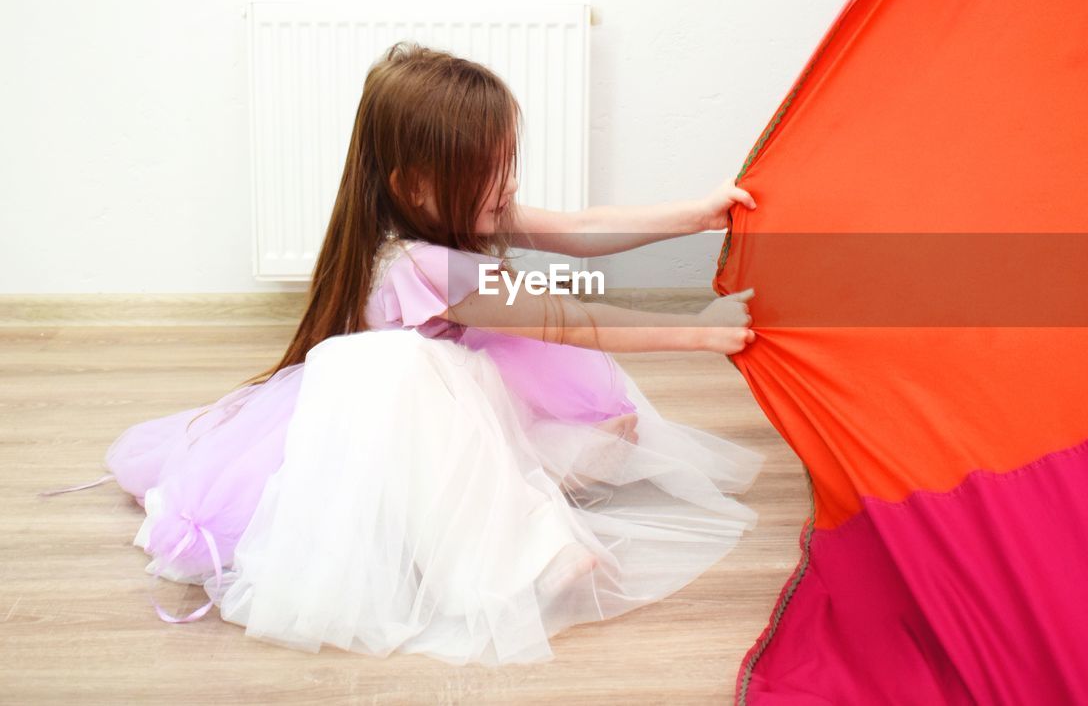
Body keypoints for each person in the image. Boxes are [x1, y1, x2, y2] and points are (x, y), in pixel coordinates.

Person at [93, 41, 765, 664]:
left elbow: (579, 227)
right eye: (488, 169)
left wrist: (693, 214)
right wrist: (698, 331)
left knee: (477, 382)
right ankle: (529, 554)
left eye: (507, 163)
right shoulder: (420, 265)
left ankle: (546, 464)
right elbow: (571, 321)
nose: (506, 184)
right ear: (417, 186)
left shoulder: (441, 216)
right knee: (426, 376)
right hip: (394, 431)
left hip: (444, 399)